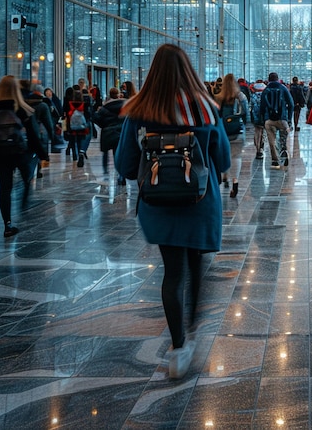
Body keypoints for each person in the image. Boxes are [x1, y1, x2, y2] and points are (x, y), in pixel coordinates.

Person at [115, 44, 230, 380]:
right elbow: (221, 160)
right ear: (188, 71)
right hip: (200, 201)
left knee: (172, 273)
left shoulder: (140, 110)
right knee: (196, 267)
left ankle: (178, 346)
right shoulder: (206, 109)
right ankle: (192, 331)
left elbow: (124, 165)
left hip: (158, 203)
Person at [0, 75, 48, 237]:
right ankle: (25, 205)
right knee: (27, 178)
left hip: (0, 153)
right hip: (19, 152)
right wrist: (42, 154)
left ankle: (7, 224)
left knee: (5, 188)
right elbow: (33, 135)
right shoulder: (21, 109)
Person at [218, 73, 248, 198]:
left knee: (224, 153)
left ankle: (224, 174)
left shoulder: (219, 97)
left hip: (223, 131)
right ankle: (235, 181)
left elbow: (216, 115)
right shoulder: (240, 96)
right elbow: (245, 113)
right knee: (236, 156)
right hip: (237, 131)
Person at [260, 72, 294, 169]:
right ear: (278, 79)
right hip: (282, 119)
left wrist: (263, 119)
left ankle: (275, 161)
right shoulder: (283, 88)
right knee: (283, 139)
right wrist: (289, 119)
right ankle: (284, 152)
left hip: (269, 120)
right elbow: (291, 104)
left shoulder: (266, 90)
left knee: (272, 140)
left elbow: (262, 106)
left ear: (269, 79)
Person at [91, 88, 126, 182]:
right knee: (117, 153)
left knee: (105, 153)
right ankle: (120, 175)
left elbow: (97, 119)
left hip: (107, 132)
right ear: (118, 95)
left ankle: (105, 172)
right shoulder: (124, 105)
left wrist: (104, 125)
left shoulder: (105, 107)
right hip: (120, 131)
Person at [66, 88, 93, 167]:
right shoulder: (83, 104)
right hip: (81, 126)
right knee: (80, 140)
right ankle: (80, 153)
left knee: (73, 141)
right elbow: (88, 114)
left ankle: (74, 155)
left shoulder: (70, 103)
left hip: (72, 125)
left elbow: (67, 114)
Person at [249, 81, 266, 159]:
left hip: (255, 116)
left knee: (257, 131)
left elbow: (250, 106)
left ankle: (257, 149)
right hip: (263, 116)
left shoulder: (253, 96)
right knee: (262, 132)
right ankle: (261, 148)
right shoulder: (265, 95)